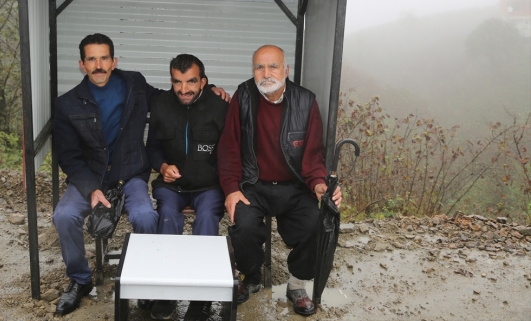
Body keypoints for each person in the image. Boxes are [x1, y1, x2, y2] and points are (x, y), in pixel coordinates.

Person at [52, 34, 229, 316]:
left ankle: (151, 282)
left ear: (114, 61)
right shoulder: (68, 105)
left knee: (146, 216)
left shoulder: (133, 84)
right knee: (63, 215)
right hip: (90, 178)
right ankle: (79, 279)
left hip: (130, 175)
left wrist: (211, 90)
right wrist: (90, 189)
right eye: (91, 59)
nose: (98, 65)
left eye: (104, 58)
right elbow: (69, 157)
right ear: (82, 64)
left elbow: (173, 95)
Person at [217, 45, 342, 317]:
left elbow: (312, 157)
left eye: (272, 66)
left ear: (286, 70)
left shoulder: (306, 102)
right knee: (244, 227)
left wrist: (319, 185)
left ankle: (296, 285)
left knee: (314, 225)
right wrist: (231, 189)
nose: (266, 73)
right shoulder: (244, 97)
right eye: (259, 67)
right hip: (253, 185)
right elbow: (229, 149)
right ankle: (250, 277)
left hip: (294, 186)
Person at [145, 54, 229, 321]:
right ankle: (165, 292)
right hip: (172, 187)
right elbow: (153, 147)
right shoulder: (160, 104)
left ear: (203, 81)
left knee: (206, 219)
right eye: (177, 82)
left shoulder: (220, 107)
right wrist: (162, 166)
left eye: (191, 82)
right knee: (167, 217)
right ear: (171, 81)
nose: (183, 89)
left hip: (209, 187)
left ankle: (201, 298)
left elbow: (229, 152)